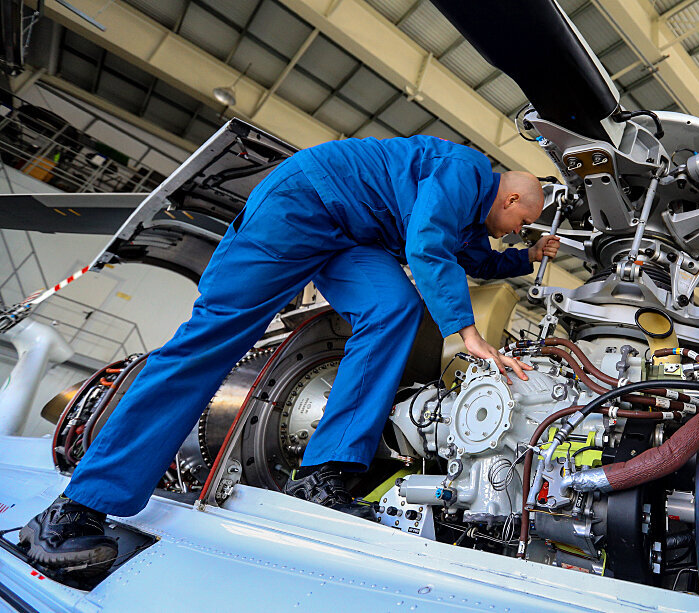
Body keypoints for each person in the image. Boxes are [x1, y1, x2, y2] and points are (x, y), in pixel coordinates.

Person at [19, 135, 559, 576]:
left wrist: (527, 257)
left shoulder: (468, 217)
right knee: (211, 341)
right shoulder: (465, 170)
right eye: (522, 224)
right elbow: (425, 246)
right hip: (304, 201)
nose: (518, 231)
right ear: (510, 199)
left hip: (354, 237)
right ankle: (78, 506)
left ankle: (323, 472)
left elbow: (477, 262)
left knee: (393, 307)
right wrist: (466, 333)